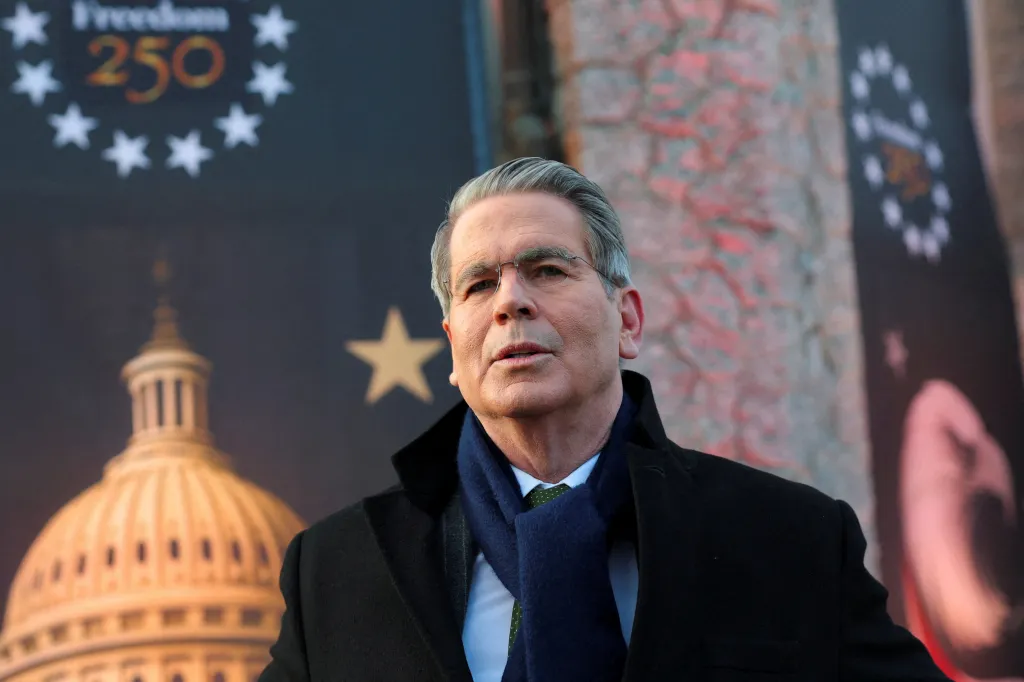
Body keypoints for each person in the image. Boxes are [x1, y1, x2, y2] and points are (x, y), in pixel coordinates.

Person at [258, 157, 950, 682]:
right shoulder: (334, 571)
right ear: (453, 346)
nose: (510, 304)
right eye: (478, 285)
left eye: (548, 270)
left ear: (627, 320)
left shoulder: (790, 539)